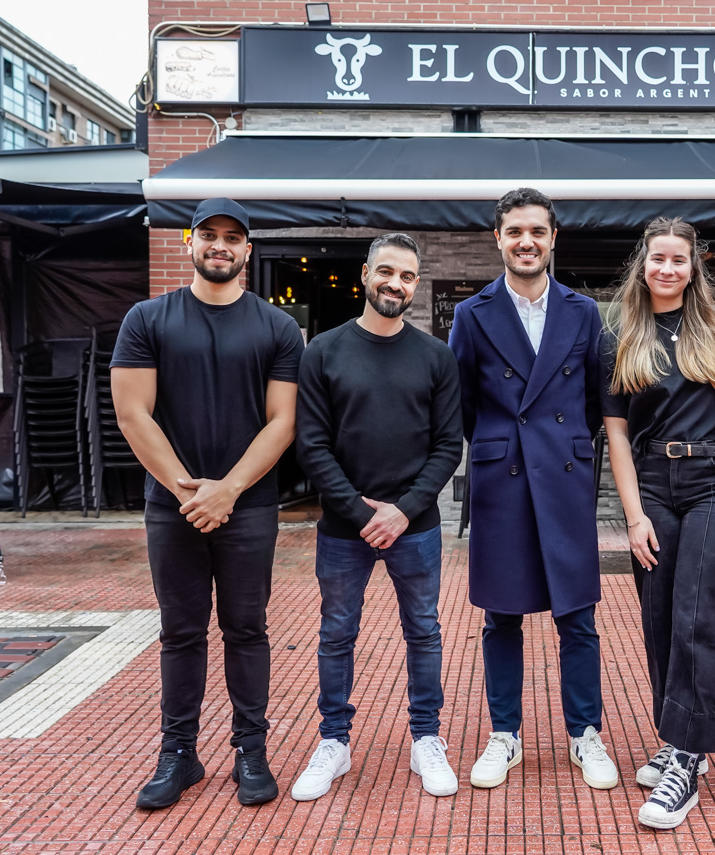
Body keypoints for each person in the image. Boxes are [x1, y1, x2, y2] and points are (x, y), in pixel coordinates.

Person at [111, 198, 304, 809]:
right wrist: (186, 489)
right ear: (189, 242)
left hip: (248, 506)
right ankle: (179, 753)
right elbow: (132, 411)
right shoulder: (147, 318)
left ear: (248, 250)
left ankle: (251, 749)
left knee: (247, 629)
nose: (220, 246)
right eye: (209, 235)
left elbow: (283, 422)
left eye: (233, 238)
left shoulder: (276, 328)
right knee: (181, 632)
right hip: (173, 506)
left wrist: (228, 490)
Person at [448, 187, 617, 791]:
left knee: (578, 615)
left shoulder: (584, 311)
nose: (526, 241)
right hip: (503, 479)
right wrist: (503, 448)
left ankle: (585, 733)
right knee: (502, 616)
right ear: (498, 238)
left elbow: (597, 402)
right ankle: (505, 734)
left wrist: (562, 448)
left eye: (537, 232)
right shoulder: (471, 314)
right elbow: (461, 406)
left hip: (565, 476)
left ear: (553, 239)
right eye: (514, 231)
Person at [291, 233, 463, 800]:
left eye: (408, 276)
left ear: (416, 283)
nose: (396, 283)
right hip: (344, 527)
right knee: (337, 633)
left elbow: (447, 445)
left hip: (415, 526)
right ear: (366, 275)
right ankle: (333, 743)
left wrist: (403, 510)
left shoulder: (436, 356)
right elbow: (311, 444)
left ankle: (426, 738)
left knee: (425, 632)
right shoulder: (323, 352)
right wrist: (360, 510)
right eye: (386, 272)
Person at [600, 217, 715, 830]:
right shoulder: (620, 336)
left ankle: (687, 758)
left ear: (694, 270)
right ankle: (675, 732)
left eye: (679, 260)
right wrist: (633, 517)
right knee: (660, 610)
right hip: (653, 484)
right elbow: (615, 434)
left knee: (698, 611)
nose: (668, 268)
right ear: (643, 265)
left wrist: (707, 445)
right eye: (658, 258)